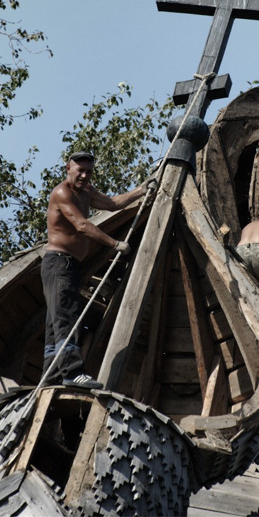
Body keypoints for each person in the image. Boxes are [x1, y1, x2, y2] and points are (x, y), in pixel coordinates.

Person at [41, 151, 156, 389]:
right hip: (58, 262)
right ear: (68, 169)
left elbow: (113, 204)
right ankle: (72, 373)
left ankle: (50, 377)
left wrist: (141, 190)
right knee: (65, 317)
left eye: (88, 171)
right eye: (79, 170)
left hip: (70, 265)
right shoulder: (63, 192)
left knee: (56, 321)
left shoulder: (87, 192)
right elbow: (82, 225)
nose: (84, 176)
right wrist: (115, 245)